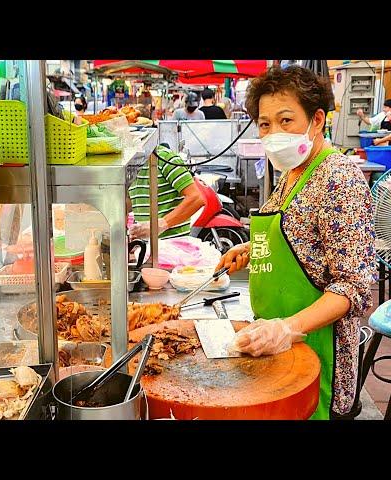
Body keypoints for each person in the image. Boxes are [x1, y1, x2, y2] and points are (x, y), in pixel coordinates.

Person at [216, 65, 377, 420]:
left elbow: (355, 285)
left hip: (317, 353)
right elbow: (300, 240)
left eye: (286, 120)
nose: (274, 133)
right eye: (265, 123)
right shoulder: (291, 171)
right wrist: (248, 250)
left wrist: (288, 327)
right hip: (274, 342)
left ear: (317, 120)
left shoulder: (338, 178)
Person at [128, 143, 205, 240]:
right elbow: (132, 202)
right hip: (147, 247)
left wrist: (160, 224)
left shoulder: (165, 158)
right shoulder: (131, 165)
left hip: (173, 246)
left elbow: (196, 198)